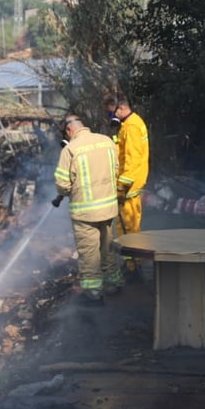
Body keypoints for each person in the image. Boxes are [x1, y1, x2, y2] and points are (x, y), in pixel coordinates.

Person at [53, 114, 122, 303]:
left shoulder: (70, 149)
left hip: (85, 213)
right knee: (107, 248)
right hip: (108, 209)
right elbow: (115, 170)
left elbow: (62, 185)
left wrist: (70, 191)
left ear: (69, 130)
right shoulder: (106, 141)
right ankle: (114, 283)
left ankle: (93, 294)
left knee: (89, 254)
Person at [103, 94, 150, 275]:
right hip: (132, 183)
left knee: (127, 227)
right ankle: (132, 263)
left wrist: (121, 186)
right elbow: (122, 152)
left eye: (111, 114)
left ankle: (133, 266)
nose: (110, 118)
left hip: (129, 186)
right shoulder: (129, 125)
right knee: (129, 226)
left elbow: (131, 160)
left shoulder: (131, 127)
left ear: (121, 109)